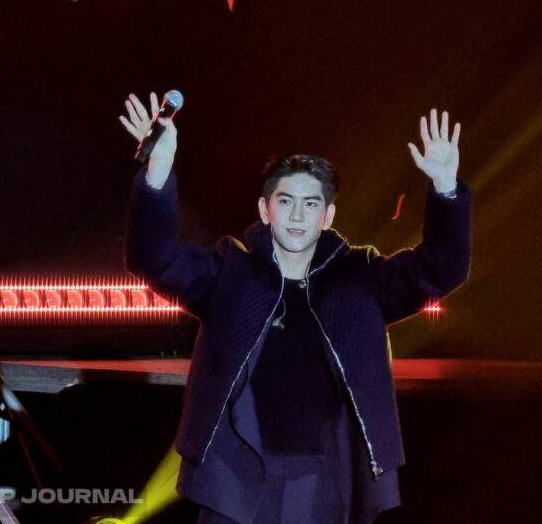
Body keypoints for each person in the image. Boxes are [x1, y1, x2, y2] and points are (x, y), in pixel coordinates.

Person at [121, 93, 471, 524]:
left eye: (311, 204)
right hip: (237, 477)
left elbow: (441, 270)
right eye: (286, 201)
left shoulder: (359, 276)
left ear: (328, 216)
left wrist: (446, 188)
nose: (297, 215)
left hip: (323, 480)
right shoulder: (230, 272)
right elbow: (154, 258)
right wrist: (157, 173)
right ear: (265, 209)